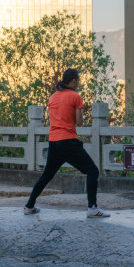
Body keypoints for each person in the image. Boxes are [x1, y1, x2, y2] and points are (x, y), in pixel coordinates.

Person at [24, 68, 110, 218]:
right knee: (92, 171)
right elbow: (79, 123)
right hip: (68, 141)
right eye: (78, 81)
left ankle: (29, 206)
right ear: (74, 81)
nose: (79, 83)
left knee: (46, 175)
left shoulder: (52, 98)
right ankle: (92, 208)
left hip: (54, 142)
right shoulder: (75, 97)